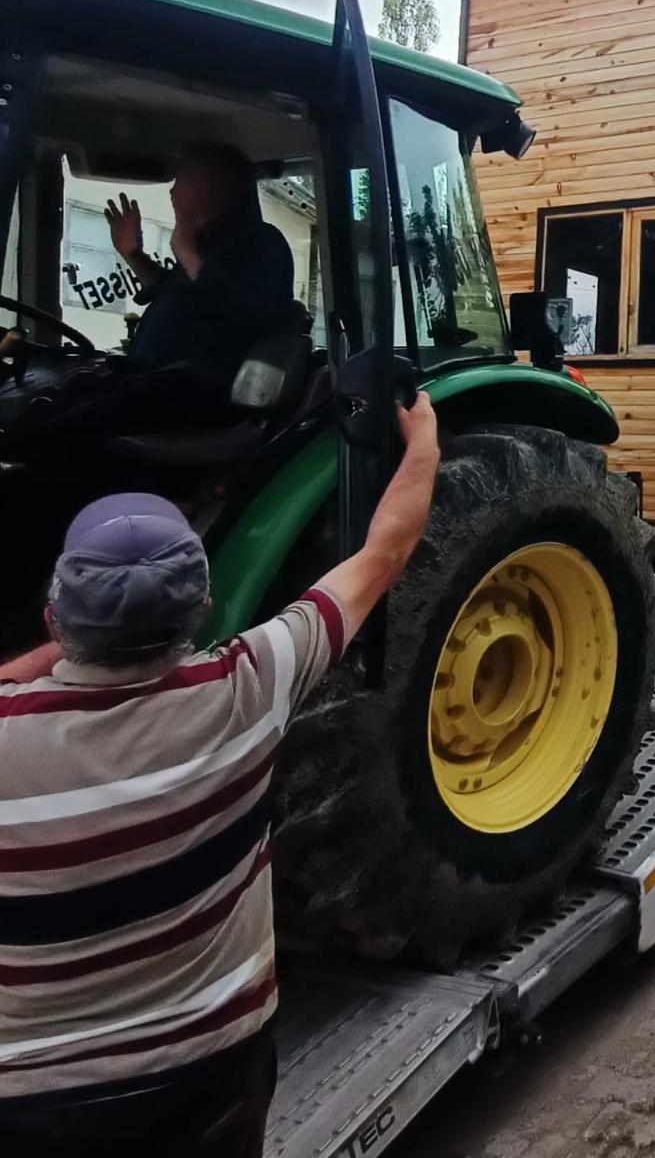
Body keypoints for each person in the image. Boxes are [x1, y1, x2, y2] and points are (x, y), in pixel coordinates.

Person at [0, 393, 440, 1155]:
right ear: (203, 607)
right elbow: (385, 552)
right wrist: (424, 442)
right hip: (214, 1075)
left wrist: (40, 664)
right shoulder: (249, 689)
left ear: (52, 616)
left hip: (35, 1107)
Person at [108, 143, 296, 387]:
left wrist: (187, 252)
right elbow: (176, 292)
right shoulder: (208, 243)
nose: (172, 192)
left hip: (194, 395)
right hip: (149, 383)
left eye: (179, 182)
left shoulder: (263, 243)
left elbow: (244, 310)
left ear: (203, 189)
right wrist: (133, 254)